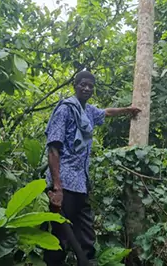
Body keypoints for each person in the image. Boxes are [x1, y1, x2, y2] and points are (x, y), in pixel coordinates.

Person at [44, 70, 141, 266]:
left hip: (81, 183)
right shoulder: (65, 109)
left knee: (86, 234)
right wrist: (57, 188)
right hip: (64, 183)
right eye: (83, 84)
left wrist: (128, 109)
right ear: (75, 85)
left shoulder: (87, 111)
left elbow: (105, 112)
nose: (87, 88)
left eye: (90, 85)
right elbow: (53, 148)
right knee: (61, 236)